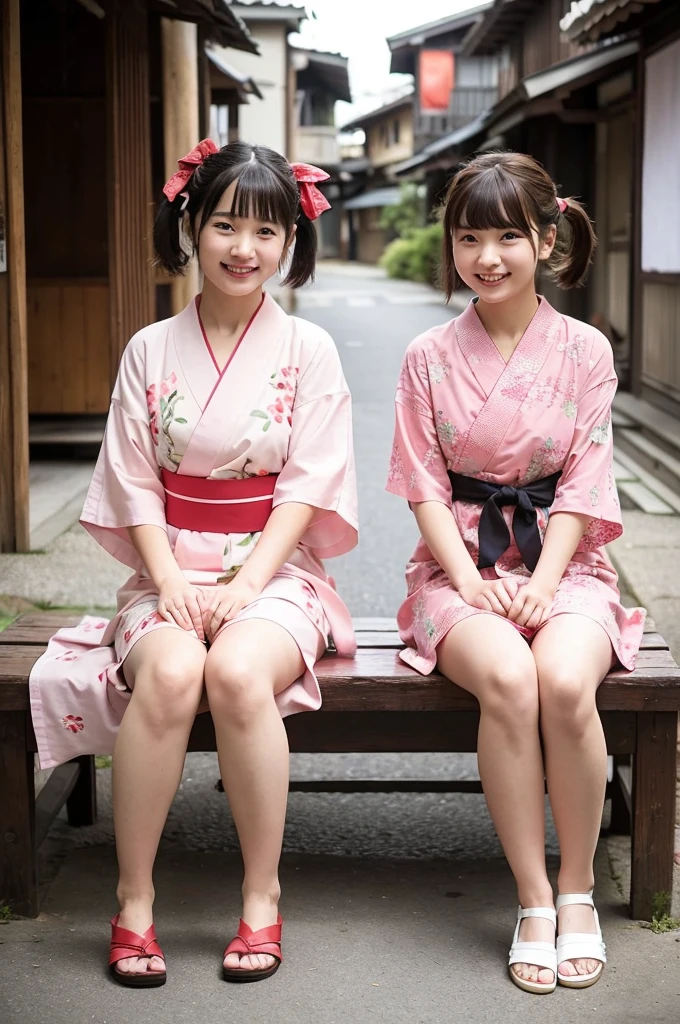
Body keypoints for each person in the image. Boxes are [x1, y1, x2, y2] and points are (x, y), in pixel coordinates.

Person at [29, 140, 357, 987]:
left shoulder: (308, 352)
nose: (244, 248)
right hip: (167, 567)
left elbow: (311, 485)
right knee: (172, 675)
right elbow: (134, 481)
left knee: (242, 673)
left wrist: (248, 583)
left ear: (292, 240)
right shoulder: (149, 348)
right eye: (224, 224)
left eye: (267, 229)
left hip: (276, 573)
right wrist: (172, 582)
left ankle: (260, 895)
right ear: (190, 226)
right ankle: (134, 902)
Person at [386, 152, 645, 995]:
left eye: (507, 236)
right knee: (508, 676)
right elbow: (423, 485)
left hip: (564, 564)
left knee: (564, 681)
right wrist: (468, 581)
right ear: (451, 245)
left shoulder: (586, 351)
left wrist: (542, 581)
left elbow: (586, 481)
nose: (486, 257)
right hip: (457, 566)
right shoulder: (427, 354)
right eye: (468, 237)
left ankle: (578, 890)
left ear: (546, 238)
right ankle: (533, 896)